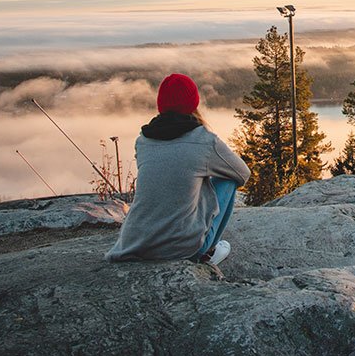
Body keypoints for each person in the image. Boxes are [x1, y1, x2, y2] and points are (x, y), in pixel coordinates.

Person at [105, 73, 250, 265]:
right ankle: (209, 251)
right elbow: (242, 173)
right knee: (228, 179)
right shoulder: (204, 140)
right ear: (194, 103)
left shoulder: (143, 140)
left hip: (136, 244)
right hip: (183, 248)